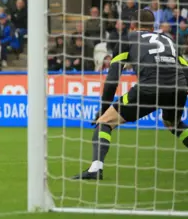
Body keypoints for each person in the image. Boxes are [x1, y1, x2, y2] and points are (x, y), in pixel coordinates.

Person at [73, 10, 188, 180]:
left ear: (133, 26)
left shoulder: (127, 39)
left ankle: (95, 169)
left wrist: (104, 108)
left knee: (105, 122)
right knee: (173, 124)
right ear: (153, 26)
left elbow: (113, 78)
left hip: (149, 87)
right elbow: (185, 69)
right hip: (178, 88)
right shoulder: (168, 39)